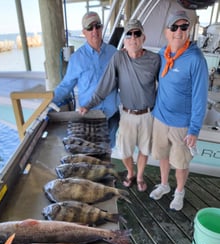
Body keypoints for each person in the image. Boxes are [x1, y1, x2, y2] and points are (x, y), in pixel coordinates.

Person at [79, 19, 160, 191]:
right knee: (124, 151)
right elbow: (105, 85)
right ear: (124, 40)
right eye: (128, 34)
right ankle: (130, 172)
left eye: (136, 33)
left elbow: (166, 86)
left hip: (148, 114)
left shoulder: (155, 59)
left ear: (143, 38)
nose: (132, 38)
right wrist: (87, 105)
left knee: (144, 150)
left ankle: (139, 176)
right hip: (127, 114)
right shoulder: (118, 57)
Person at [149, 10, 209, 210]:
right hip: (160, 118)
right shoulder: (162, 54)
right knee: (163, 155)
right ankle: (165, 185)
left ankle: (179, 192)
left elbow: (200, 97)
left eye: (183, 27)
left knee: (181, 163)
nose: (178, 31)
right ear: (167, 31)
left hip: (182, 124)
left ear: (189, 30)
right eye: (174, 27)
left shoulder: (196, 59)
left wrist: (194, 129)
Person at [52, 11, 120, 148]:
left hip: (112, 115)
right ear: (84, 32)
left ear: (101, 28)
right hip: (90, 117)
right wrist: (49, 103)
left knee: (108, 152)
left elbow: (124, 80)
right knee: (92, 155)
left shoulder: (114, 52)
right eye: (90, 27)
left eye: (97, 26)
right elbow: (66, 86)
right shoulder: (76, 58)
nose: (94, 31)